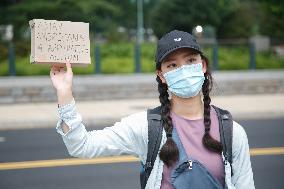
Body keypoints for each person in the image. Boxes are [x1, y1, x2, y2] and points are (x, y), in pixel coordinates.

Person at [50, 30, 255, 189]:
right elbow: (82, 146)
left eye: (190, 60)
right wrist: (64, 92)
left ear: (203, 65)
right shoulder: (146, 128)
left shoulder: (233, 132)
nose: (182, 70)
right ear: (162, 75)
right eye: (172, 65)